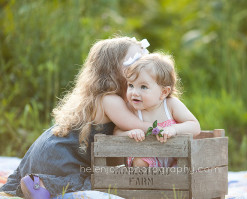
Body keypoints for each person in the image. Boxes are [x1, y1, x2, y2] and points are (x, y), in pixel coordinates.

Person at [0, 36, 153, 199]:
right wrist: (168, 126)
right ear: (114, 69)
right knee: (99, 181)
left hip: (48, 152)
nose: (143, 67)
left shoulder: (98, 97)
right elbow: (137, 125)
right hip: (61, 156)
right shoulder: (110, 100)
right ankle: (41, 184)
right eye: (137, 62)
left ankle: (36, 183)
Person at [114, 53, 201, 167]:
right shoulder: (131, 109)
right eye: (131, 85)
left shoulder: (171, 105)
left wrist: (174, 129)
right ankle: (144, 184)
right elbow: (116, 132)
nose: (134, 92)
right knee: (139, 161)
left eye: (143, 87)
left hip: (175, 158)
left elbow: (195, 126)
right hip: (148, 157)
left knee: (186, 165)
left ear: (163, 92)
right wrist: (129, 133)